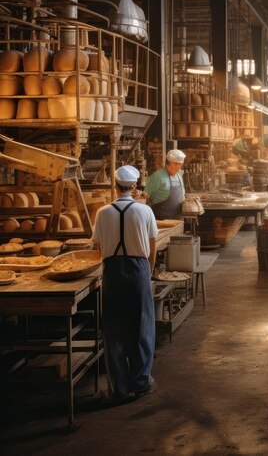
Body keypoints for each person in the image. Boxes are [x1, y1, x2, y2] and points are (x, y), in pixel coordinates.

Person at [92, 165, 158, 404]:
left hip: (112, 271)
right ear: (134, 186)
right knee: (142, 327)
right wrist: (147, 271)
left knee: (114, 330)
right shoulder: (144, 211)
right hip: (139, 270)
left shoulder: (102, 212)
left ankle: (118, 388)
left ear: (115, 185)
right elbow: (153, 247)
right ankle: (140, 382)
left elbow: (98, 248)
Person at [145, 149, 186, 219]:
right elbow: (145, 196)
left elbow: (182, 195)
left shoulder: (179, 175)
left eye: (180, 164)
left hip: (177, 219)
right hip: (160, 219)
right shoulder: (158, 176)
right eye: (176, 164)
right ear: (168, 163)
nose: (178, 167)